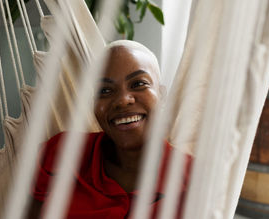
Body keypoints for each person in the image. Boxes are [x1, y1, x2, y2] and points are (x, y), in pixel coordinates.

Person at [27, 40, 192, 218]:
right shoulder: (62, 152)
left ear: (162, 95)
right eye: (104, 90)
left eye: (138, 84)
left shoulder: (194, 179)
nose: (122, 101)